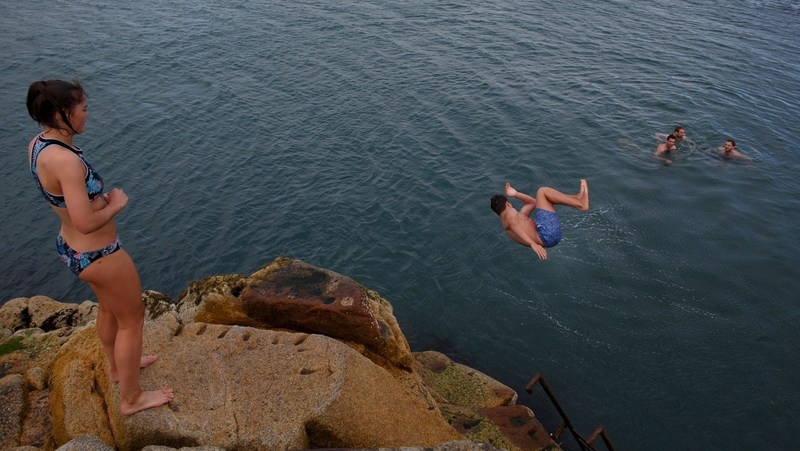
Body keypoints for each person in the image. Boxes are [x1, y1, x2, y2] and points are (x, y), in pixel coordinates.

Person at [26, 79, 173, 415]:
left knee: (109, 309)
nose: (87, 115)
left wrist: (93, 200)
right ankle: (132, 398)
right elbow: (86, 221)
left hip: (72, 248)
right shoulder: (66, 162)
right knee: (132, 318)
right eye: (83, 109)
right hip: (99, 253)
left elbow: (66, 201)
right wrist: (115, 205)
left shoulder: (39, 144)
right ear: (64, 113)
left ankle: (119, 369)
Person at [490, 180, 589, 259]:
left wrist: (516, 193)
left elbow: (533, 203)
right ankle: (580, 203)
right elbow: (514, 225)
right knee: (542, 191)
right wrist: (533, 244)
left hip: (551, 238)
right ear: (507, 204)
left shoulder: (516, 218)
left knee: (545, 198)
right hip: (545, 234)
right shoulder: (509, 213)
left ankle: (576, 198)